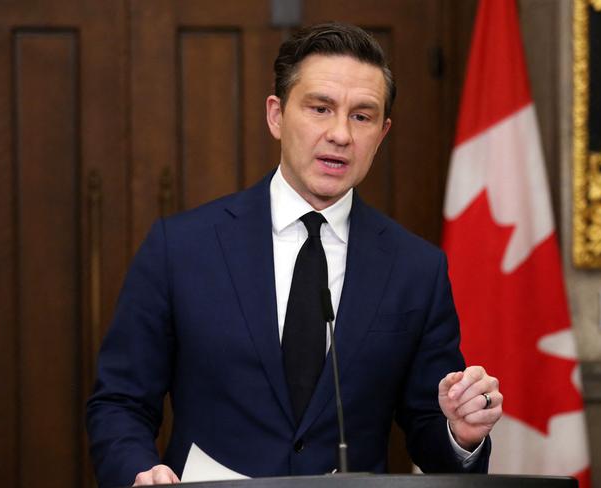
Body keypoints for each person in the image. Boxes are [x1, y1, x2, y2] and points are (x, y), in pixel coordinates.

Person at [86, 22, 503, 488]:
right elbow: (119, 402)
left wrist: (460, 435)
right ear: (276, 115)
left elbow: (430, 428)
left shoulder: (416, 269)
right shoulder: (180, 248)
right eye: (320, 108)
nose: (341, 134)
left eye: (362, 116)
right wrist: (139, 471)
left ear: (382, 133)